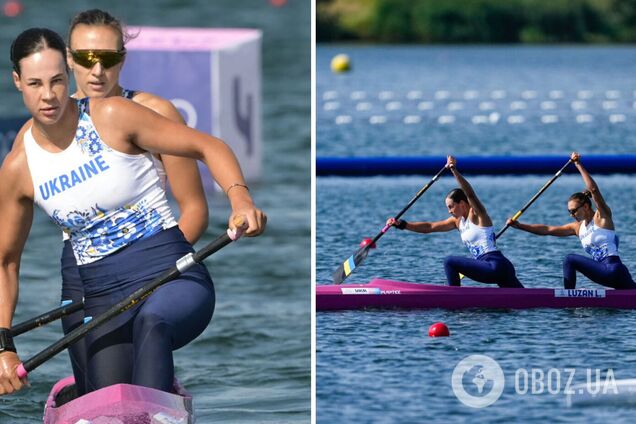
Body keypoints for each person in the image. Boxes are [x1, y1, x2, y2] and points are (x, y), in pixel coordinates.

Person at [0, 27, 266, 396]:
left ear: (67, 72)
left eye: (57, 81)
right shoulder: (19, 166)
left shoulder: (113, 115)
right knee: (105, 398)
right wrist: (4, 346)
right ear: (17, 82)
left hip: (170, 275)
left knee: (153, 324)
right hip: (101, 294)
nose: (48, 95)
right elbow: (6, 262)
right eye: (35, 84)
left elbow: (210, 147)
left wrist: (241, 201)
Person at [58, 9, 207, 396]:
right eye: (86, 58)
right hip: (81, 277)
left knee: (146, 341)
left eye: (108, 58)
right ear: (69, 58)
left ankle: (155, 399)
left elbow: (194, 210)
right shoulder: (50, 125)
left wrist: (152, 273)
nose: (97, 70)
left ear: (122, 59)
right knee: (99, 395)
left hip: (152, 266)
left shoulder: (156, 113)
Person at [387, 156, 523, 288]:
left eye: (451, 207)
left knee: (449, 261)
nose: (449, 211)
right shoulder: (457, 222)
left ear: (462, 204)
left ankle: (453, 296)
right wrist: (402, 224)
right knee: (525, 299)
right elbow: (429, 227)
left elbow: (470, 194)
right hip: (497, 268)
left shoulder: (477, 214)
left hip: (494, 265)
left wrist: (453, 170)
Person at [507, 152, 635, 290]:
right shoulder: (577, 228)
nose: (571, 215)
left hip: (612, 269)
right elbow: (547, 230)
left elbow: (593, 189)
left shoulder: (602, 217)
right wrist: (520, 226)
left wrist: (578, 164)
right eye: (569, 212)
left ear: (586, 206)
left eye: (573, 211)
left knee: (570, 259)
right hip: (615, 273)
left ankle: (568, 297)